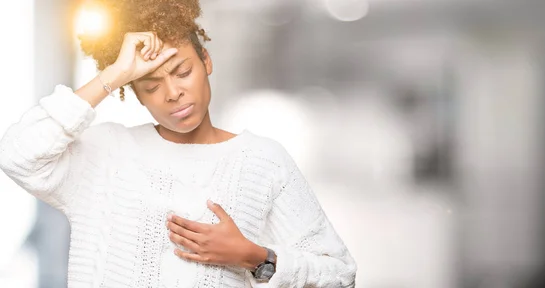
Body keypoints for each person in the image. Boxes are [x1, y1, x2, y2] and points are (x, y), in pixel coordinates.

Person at [0, 0, 356, 287]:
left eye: (183, 72)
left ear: (206, 61)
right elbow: (17, 155)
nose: (173, 93)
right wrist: (113, 75)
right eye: (151, 86)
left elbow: (340, 274)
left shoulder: (262, 161)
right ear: (137, 95)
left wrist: (254, 256)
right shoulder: (105, 154)